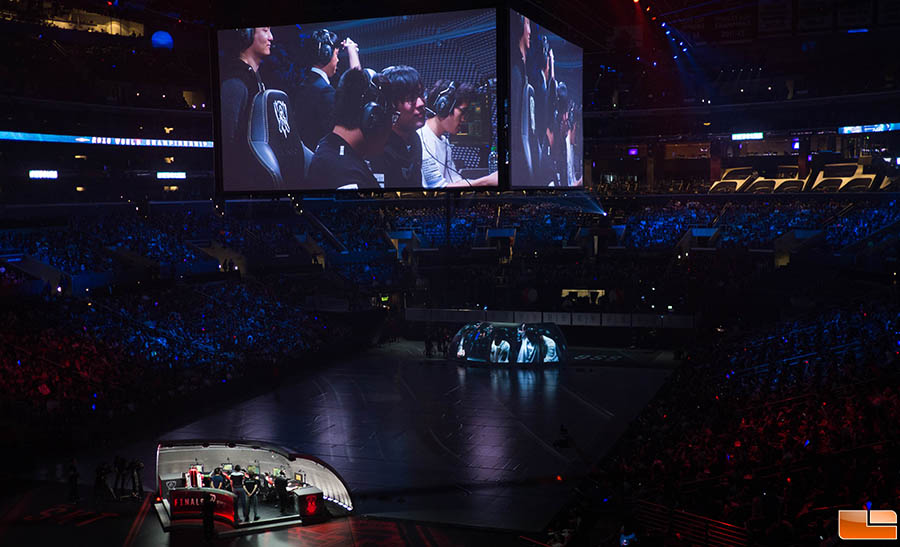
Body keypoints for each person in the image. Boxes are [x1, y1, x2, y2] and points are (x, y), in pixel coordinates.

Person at [307, 68, 395, 190]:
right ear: (373, 117)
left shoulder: (331, 145)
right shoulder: (348, 178)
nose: (391, 126)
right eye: (392, 117)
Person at [220, 27, 274, 188]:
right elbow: (227, 141)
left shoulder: (254, 79)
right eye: (265, 30)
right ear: (247, 34)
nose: (271, 37)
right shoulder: (236, 81)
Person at [418, 80, 498, 188]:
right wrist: (487, 181)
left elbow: (455, 181)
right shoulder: (422, 140)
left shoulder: (444, 141)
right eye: (462, 111)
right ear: (444, 107)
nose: (464, 119)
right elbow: (437, 187)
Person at [294, 29, 361, 150]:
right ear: (326, 54)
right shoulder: (324, 91)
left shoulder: (304, 84)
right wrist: (352, 53)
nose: (338, 60)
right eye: (336, 54)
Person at [368, 66, 426, 188]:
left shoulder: (414, 140)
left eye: (421, 95)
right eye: (411, 99)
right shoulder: (377, 149)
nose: (421, 103)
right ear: (390, 106)